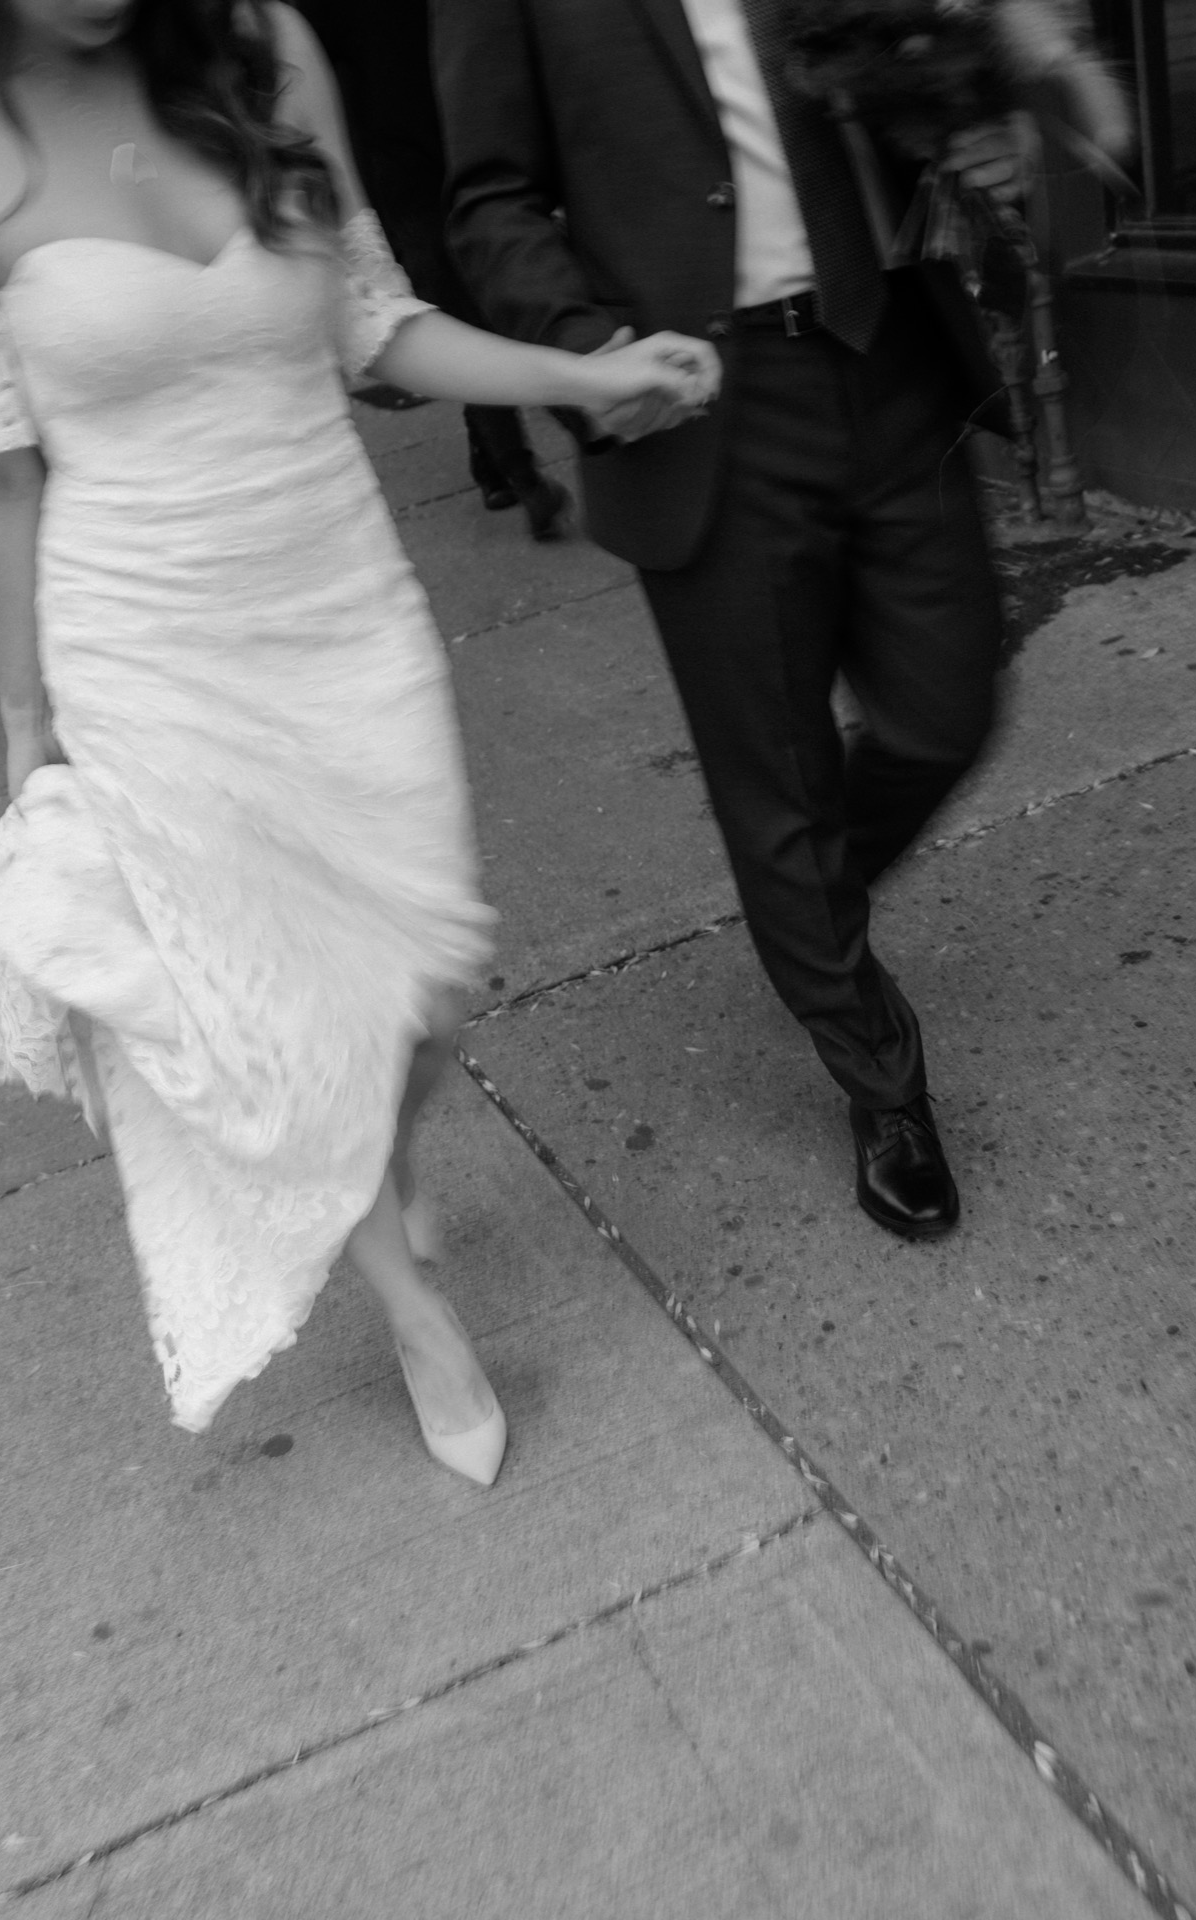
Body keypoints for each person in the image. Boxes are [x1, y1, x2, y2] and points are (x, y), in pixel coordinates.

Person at [0, 0, 717, 1480]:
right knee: (268, 1014)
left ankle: (366, 1166)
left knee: (427, 989)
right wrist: (26, 730)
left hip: (337, 607)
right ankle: (408, 1311)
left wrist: (583, 379)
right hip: (145, 651)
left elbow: (371, 322)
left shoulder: (260, 47)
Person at [434, 0, 1029, 1241]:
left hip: (889, 357)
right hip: (702, 408)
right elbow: (490, 200)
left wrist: (974, 130)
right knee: (777, 772)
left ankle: (810, 905)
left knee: (947, 705)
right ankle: (883, 1080)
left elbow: (908, 71)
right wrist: (588, 347)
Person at [293, 0, 570, 538]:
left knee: (451, 310)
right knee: (482, 302)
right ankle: (540, 452)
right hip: (459, 141)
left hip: (401, 162)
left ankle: (509, 469)